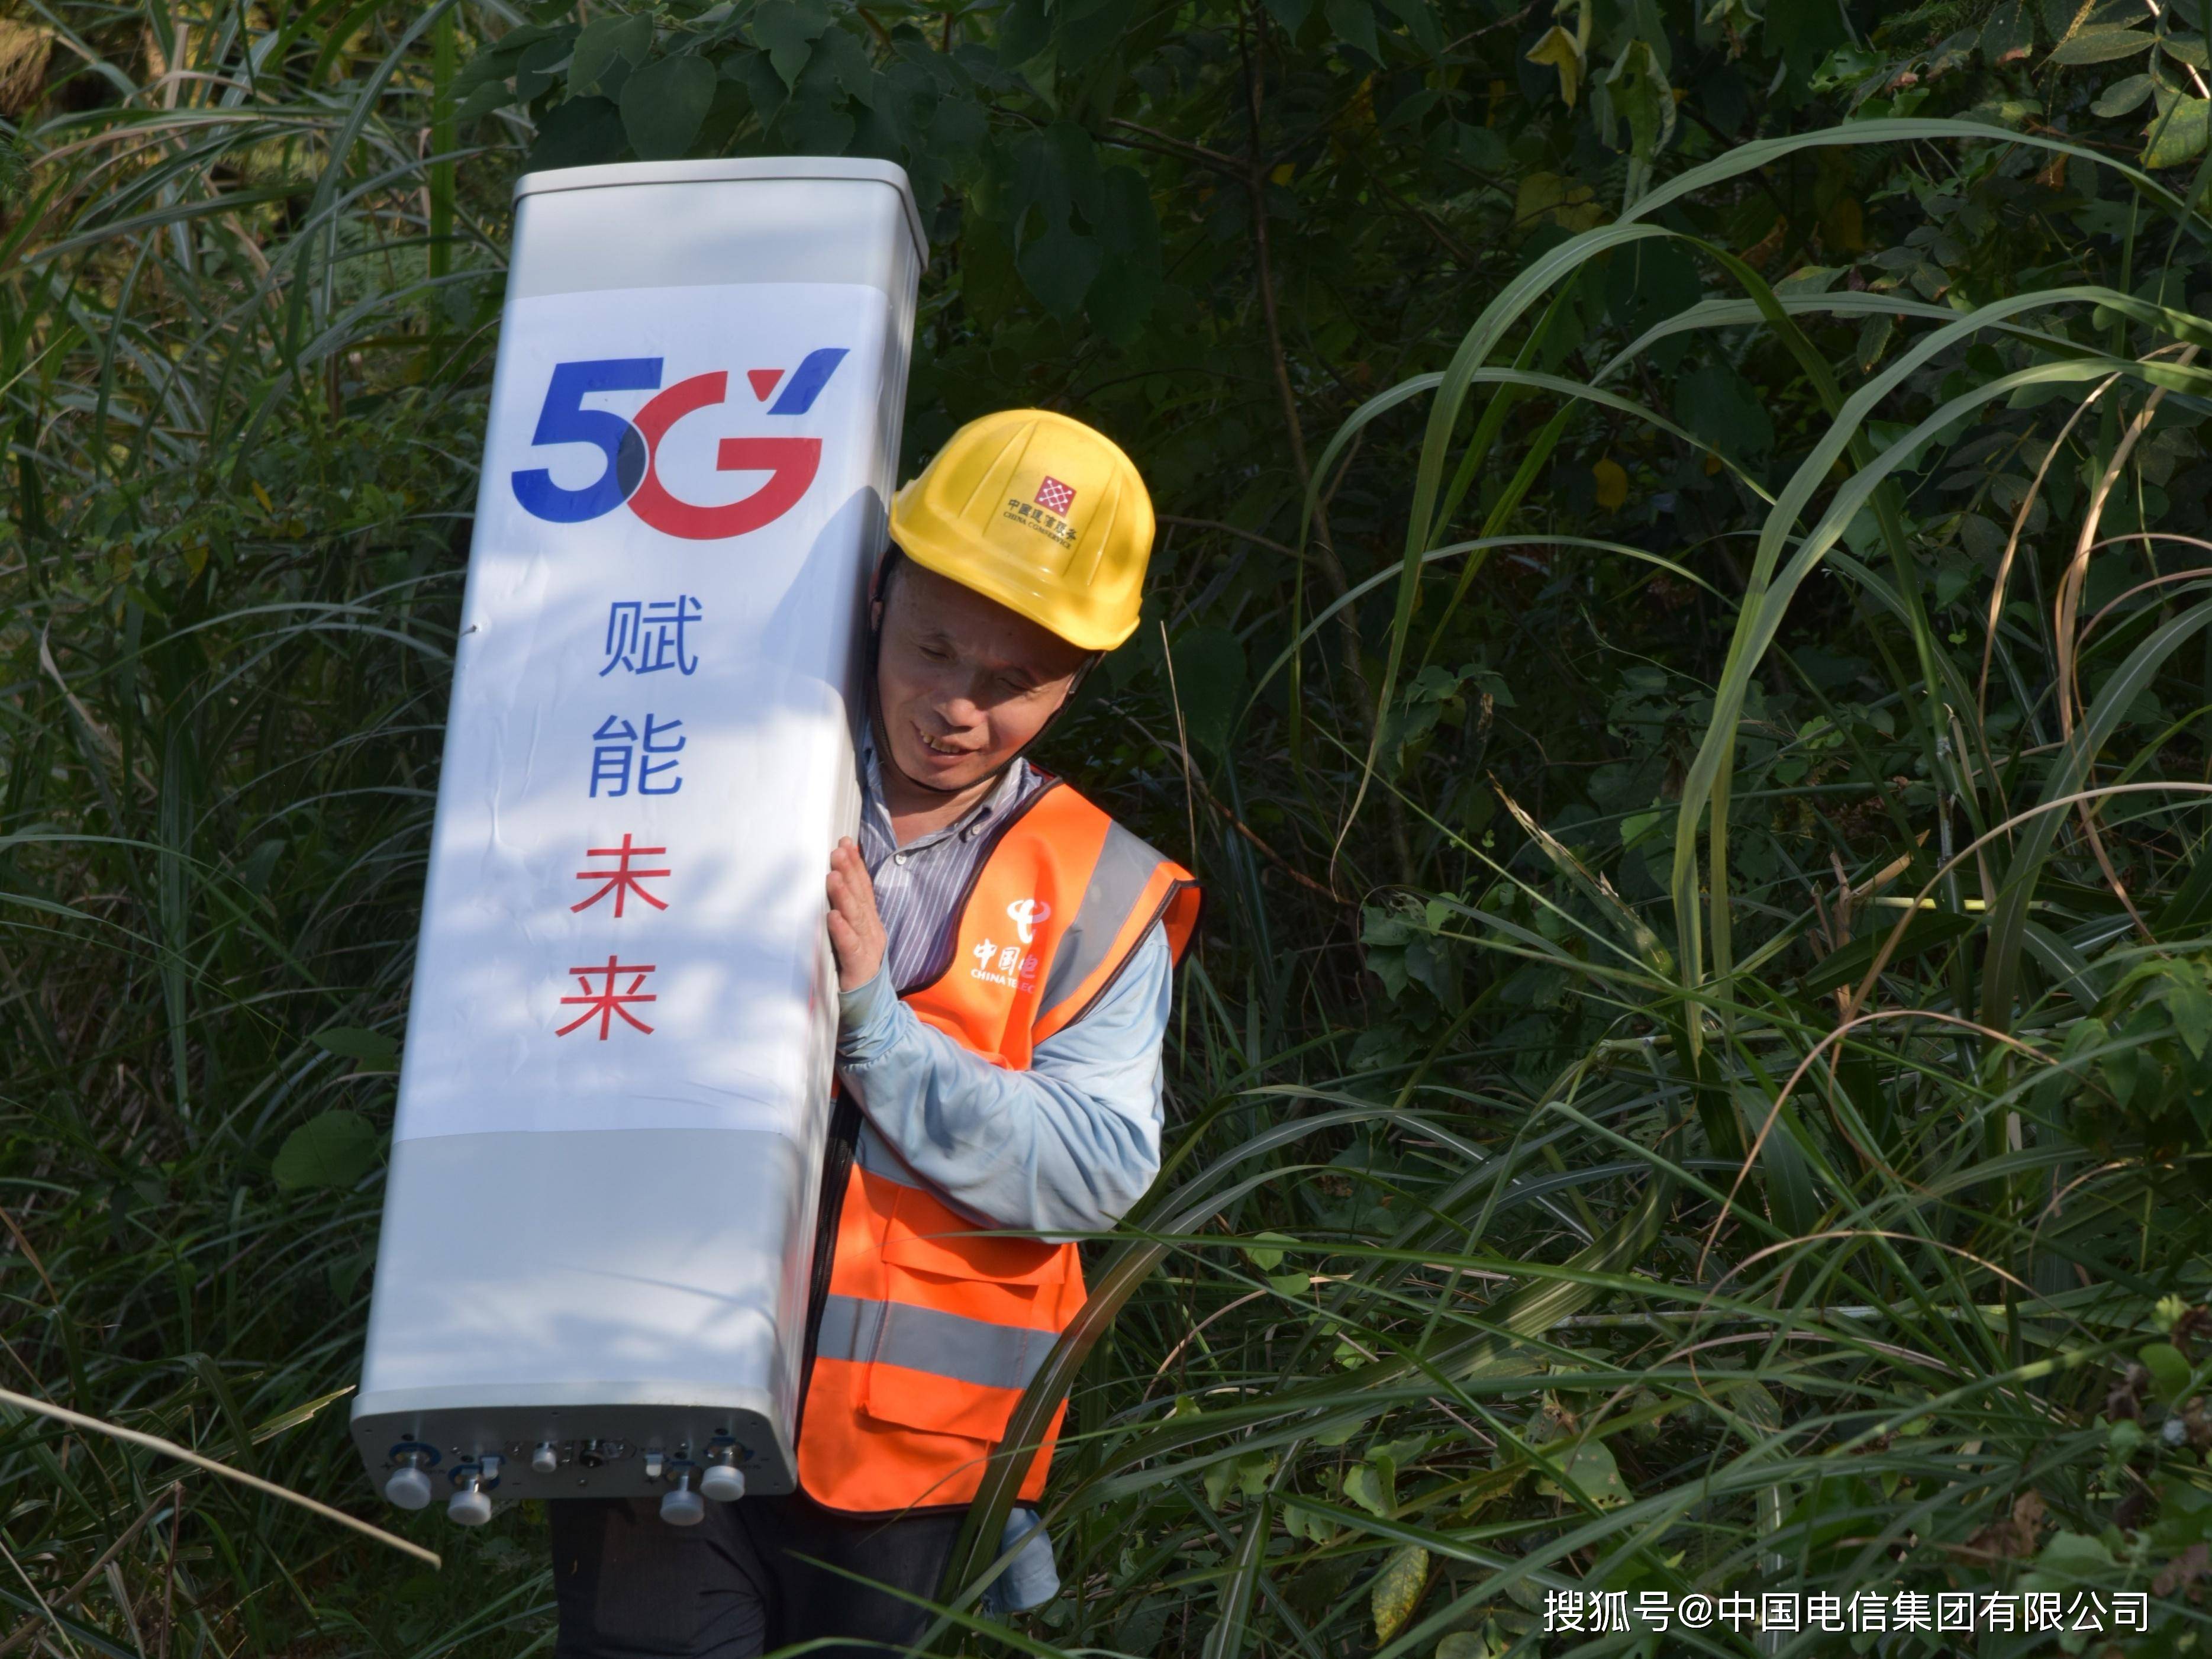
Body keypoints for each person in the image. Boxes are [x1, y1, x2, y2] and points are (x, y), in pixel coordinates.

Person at [552, 410, 1201, 1657]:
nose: (956, 706)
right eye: (933, 647)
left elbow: (1098, 1168)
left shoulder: (1106, 889)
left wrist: (873, 1027)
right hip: (660, 1384)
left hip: (912, 1474)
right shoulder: (707, 777)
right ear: (876, 597)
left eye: (1011, 682)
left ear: (1076, 675)